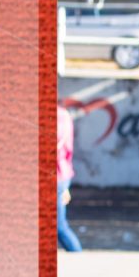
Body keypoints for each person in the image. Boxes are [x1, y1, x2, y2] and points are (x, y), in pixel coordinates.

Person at [57, 104, 82, 252]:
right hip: (61, 175)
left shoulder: (57, 116)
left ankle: (77, 257)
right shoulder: (63, 114)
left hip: (56, 175)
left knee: (59, 226)